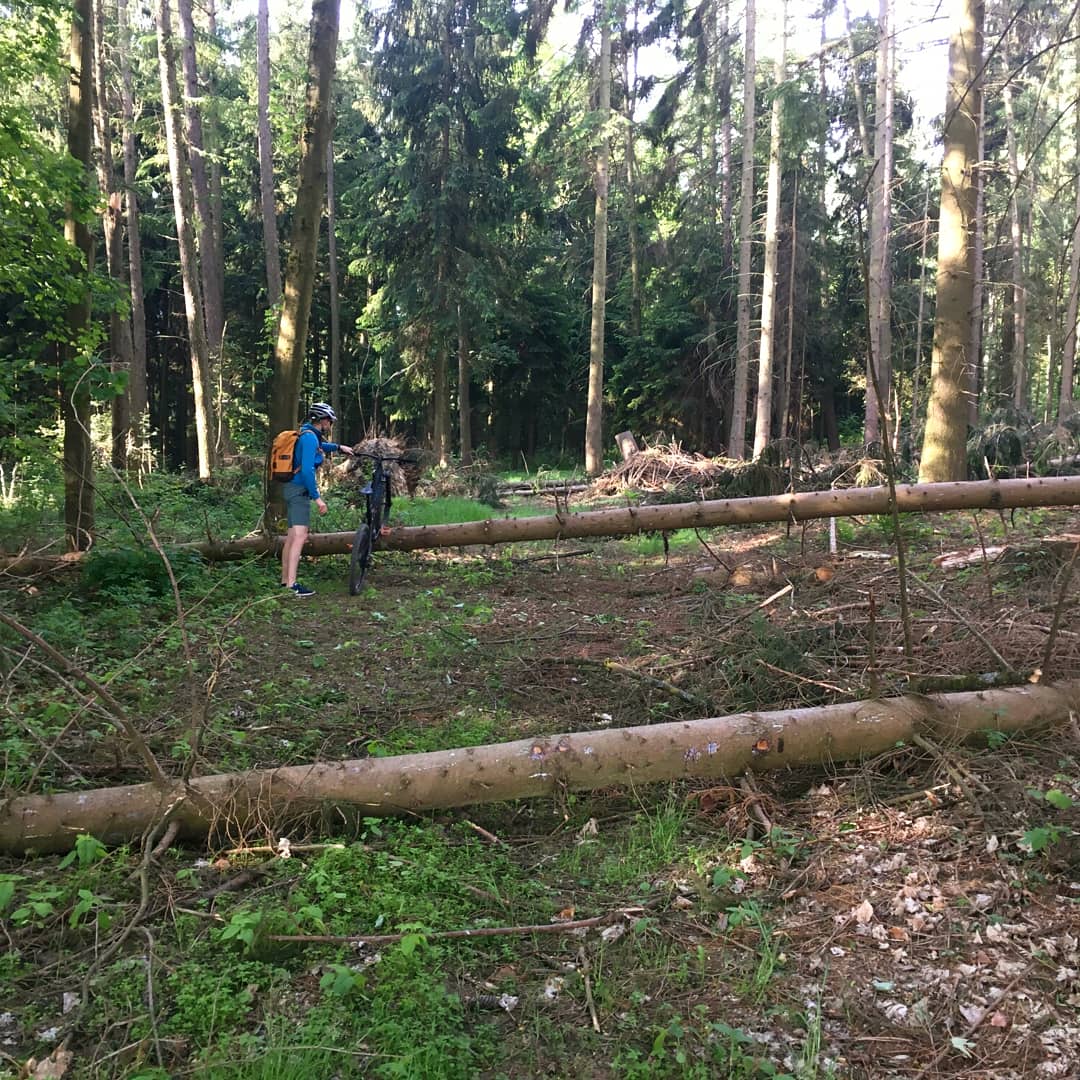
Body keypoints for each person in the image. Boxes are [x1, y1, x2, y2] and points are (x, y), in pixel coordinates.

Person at [280, 402, 354, 597]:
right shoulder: (310, 438)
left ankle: (285, 581)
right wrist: (318, 498)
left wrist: (339, 447)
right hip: (299, 492)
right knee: (300, 537)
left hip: (290, 489)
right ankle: (292, 585)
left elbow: (321, 446)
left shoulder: (307, 433)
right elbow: (306, 470)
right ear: (323, 420)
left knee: (291, 537)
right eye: (330, 420)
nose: (331, 424)